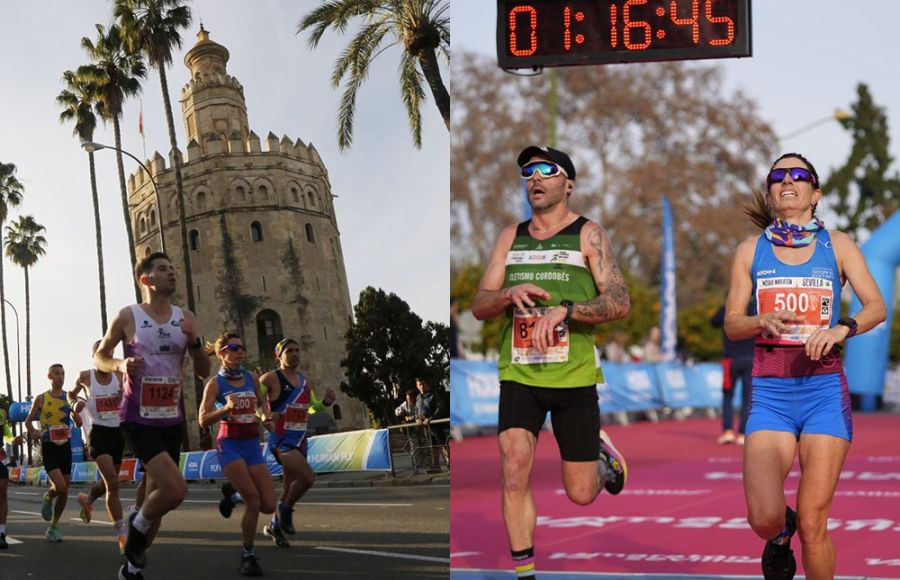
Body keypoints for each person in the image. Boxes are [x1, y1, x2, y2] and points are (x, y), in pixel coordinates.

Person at [724, 153, 886, 580]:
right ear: (770, 191)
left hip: (823, 394)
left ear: (816, 193)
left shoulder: (839, 244)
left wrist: (842, 329)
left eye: (799, 176)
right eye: (778, 176)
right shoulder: (749, 250)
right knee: (762, 517)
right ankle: (780, 536)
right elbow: (731, 323)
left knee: (815, 524)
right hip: (771, 396)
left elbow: (877, 306)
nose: (788, 181)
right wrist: (760, 320)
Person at [472, 145, 630, 580]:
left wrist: (568, 309)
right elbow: (479, 304)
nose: (534, 178)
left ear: (569, 184)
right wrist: (506, 293)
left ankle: (603, 459)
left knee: (580, 494)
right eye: (527, 171)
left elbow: (619, 300)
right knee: (513, 465)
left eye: (546, 170)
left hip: (573, 375)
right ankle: (526, 574)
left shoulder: (588, 233)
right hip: (519, 372)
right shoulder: (510, 236)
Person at [94, 252, 210, 580]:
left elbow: (204, 372)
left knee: (158, 503)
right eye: (163, 269)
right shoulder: (128, 316)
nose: (171, 273)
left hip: (171, 420)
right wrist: (119, 365)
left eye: (173, 268)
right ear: (146, 280)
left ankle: (131, 566)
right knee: (175, 491)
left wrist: (197, 343)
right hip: (137, 417)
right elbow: (100, 355)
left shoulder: (186, 317)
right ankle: (136, 524)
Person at [199, 332, 275, 576]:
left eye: (242, 347)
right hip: (229, 444)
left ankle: (232, 496)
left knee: (268, 505)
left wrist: (266, 419)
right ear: (222, 354)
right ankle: (248, 554)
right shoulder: (215, 383)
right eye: (234, 348)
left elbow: (261, 405)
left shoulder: (252, 377)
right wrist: (225, 410)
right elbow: (202, 419)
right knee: (253, 500)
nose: (240, 351)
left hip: (252, 444)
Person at [258, 338, 335, 548]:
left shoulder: (304, 381)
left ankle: (274, 526)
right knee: (308, 478)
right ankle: (285, 511)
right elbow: (255, 399)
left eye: (297, 350)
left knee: (288, 487)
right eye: (289, 351)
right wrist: (264, 417)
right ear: (279, 355)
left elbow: (309, 408)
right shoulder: (270, 379)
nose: (294, 354)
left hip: (300, 439)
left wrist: (325, 403)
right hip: (281, 440)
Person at [69, 340, 127, 553]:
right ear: (95, 357)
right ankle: (122, 534)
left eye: (110, 354)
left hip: (117, 433)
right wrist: (75, 404)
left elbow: (131, 397)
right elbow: (71, 394)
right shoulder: (85, 376)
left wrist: (125, 397)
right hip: (98, 433)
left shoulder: (120, 377)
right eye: (103, 354)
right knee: (113, 483)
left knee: (107, 484)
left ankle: (88, 499)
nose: (107, 359)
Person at [24, 364, 82, 543]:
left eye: (63, 373)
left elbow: (79, 424)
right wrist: (34, 432)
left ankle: (53, 527)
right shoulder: (41, 398)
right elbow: (28, 422)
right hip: (49, 446)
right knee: (60, 486)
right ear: (50, 376)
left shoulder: (69, 398)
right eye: (57, 373)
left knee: (65, 491)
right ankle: (48, 496)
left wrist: (76, 417)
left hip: (65, 447)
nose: (61, 377)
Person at [711, 302, 755, 445]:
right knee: (746, 397)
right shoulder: (753, 308)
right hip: (748, 359)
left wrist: (726, 307)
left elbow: (714, 321)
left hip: (732, 360)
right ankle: (742, 433)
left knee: (728, 396)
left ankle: (728, 430)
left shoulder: (727, 309)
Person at [415, 378, 448, 471]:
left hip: (435, 423)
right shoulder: (418, 398)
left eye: (423, 384)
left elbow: (440, 407)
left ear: (426, 385)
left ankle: (450, 464)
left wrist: (431, 418)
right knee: (433, 445)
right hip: (426, 427)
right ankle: (436, 466)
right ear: (417, 386)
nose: (421, 386)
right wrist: (417, 418)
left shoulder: (433, 394)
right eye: (419, 385)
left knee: (443, 444)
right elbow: (416, 411)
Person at [0, 406, 12, 549]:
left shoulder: (2, 413)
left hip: (0, 455)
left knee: (2, 493)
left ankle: (1, 533)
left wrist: (13, 440)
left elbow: (7, 434)